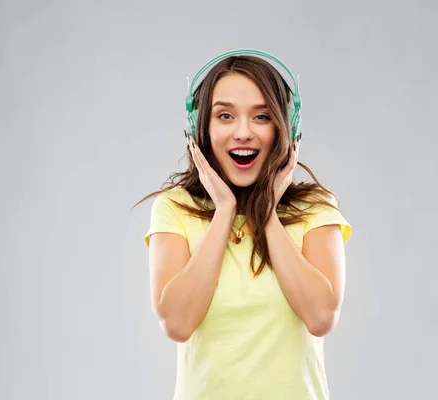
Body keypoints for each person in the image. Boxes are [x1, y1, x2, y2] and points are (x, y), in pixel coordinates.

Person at [133, 49, 353, 400]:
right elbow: (176, 323)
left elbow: (320, 317)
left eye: (261, 117)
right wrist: (224, 210)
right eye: (225, 116)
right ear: (200, 127)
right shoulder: (174, 208)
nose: (243, 132)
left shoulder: (316, 208)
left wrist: (265, 212)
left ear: (285, 126)